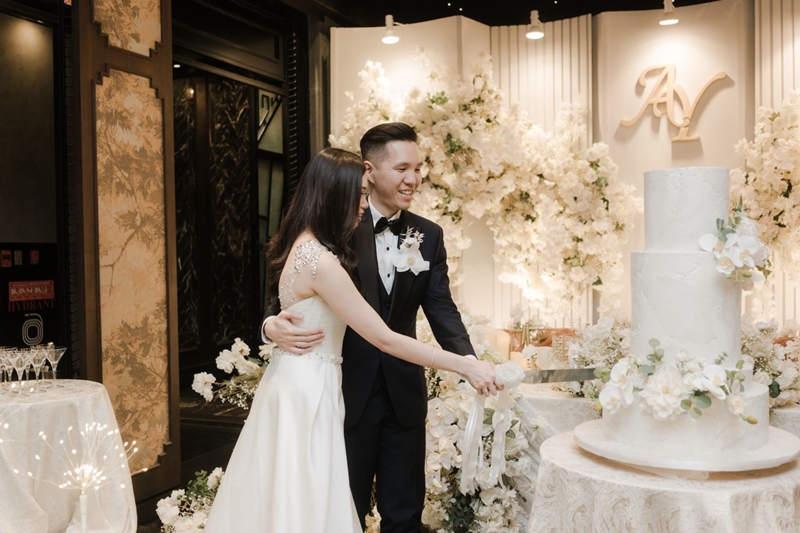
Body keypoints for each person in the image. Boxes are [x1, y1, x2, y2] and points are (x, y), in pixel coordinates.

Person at [204, 147, 497, 533]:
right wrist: (464, 366)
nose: (363, 202)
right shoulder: (322, 261)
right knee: (309, 503)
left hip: (298, 383)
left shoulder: (303, 246)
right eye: (359, 193)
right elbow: (383, 338)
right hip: (312, 391)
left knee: (289, 499)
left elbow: (439, 309)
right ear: (335, 194)